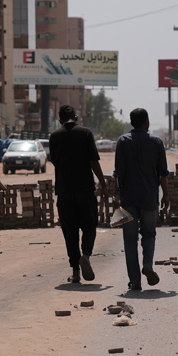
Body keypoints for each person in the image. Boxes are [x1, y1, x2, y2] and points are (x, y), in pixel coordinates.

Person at [49, 105, 109, 284]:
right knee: (90, 225)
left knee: (70, 232)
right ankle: (86, 255)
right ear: (75, 117)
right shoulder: (85, 133)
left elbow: (55, 162)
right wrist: (103, 184)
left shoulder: (54, 137)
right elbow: (93, 162)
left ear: (60, 120)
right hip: (85, 191)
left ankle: (75, 272)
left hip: (64, 192)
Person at [113, 108, 170, 291]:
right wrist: (166, 195)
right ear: (146, 122)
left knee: (129, 240)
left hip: (128, 199)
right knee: (149, 234)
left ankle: (135, 281)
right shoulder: (156, 142)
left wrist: (116, 195)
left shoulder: (122, 142)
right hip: (149, 198)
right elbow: (162, 174)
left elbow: (118, 173)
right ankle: (148, 265)